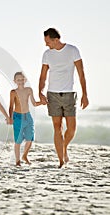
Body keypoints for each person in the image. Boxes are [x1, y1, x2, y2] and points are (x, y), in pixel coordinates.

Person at [38, 28, 89, 168]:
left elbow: (81, 74)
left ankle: (63, 147)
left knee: (72, 128)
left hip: (69, 94)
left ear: (55, 40)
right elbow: (43, 76)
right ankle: (61, 160)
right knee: (57, 127)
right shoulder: (47, 54)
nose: (46, 44)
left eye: (48, 41)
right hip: (52, 94)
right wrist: (40, 92)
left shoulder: (73, 50)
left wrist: (85, 94)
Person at [9, 72, 43, 166]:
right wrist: (10, 118)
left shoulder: (29, 90)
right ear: (15, 81)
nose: (20, 81)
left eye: (22, 79)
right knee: (18, 140)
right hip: (18, 117)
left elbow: (34, 103)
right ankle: (17, 161)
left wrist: (42, 102)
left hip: (28, 116)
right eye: (18, 80)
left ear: (25, 80)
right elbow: (11, 106)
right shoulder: (13, 92)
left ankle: (25, 155)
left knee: (30, 138)